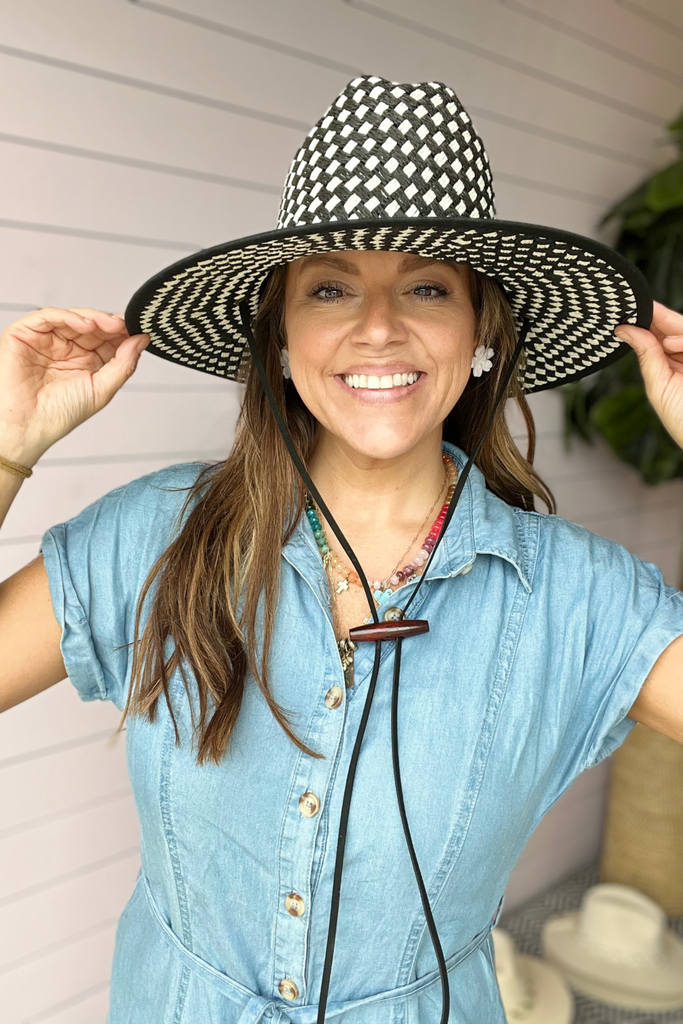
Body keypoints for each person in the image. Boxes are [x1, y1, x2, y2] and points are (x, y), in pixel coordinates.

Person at [1, 76, 682, 1024]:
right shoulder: (155, 537)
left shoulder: (579, 599)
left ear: (480, 327)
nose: (375, 328)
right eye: (329, 287)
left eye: (427, 287)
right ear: (280, 332)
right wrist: (6, 441)